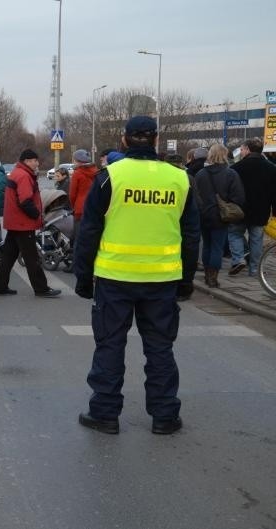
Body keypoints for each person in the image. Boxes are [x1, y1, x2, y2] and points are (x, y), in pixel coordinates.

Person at [73, 115, 200, 435]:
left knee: (110, 345)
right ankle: (165, 415)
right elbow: (191, 234)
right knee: (160, 348)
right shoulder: (180, 179)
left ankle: (104, 413)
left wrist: (83, 277)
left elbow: (88, 231)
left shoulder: (109, 177)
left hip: (114, 278)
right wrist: (186, 281)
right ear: (156, 140)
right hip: (162, 281)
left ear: (125, 140)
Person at [0, 149, 61, 298]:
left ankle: (0, 286)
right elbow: (25, 201)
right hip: (23, 223)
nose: (37, 163)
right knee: (32, 258)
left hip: (14, 222)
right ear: (27, 161)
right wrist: (37, 215)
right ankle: (41, 288)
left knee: (8, 257)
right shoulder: (24, 176)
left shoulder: (17, 173)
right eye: (35, 160)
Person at [193, 144, 245, 287]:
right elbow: (239, 197)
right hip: (221, 215)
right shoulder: (231, 174)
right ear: (224, 155)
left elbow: (195, 195)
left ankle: (206, 274)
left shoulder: (201, 174)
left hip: (204, 214)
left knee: (207, 245)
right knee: (217, 247)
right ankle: (213, 277)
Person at [229, 138, 276, 277]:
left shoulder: (236, 168)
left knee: (234, 234)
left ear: (248, 150)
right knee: (256, 239)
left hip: (239, 210)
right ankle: (255, 269)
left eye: (242, 149)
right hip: (261, 210)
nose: (241, 152)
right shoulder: (271, 168)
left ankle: (238, 259)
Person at [69, 148, 98, 244]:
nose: (73, 162)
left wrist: (74, 207)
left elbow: (72, 194)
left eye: (74, 160)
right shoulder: (96, 171)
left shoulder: (77, 173)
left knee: (79, 237)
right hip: (94, 207)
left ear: (79, 161)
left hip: (80, 209)